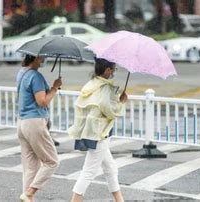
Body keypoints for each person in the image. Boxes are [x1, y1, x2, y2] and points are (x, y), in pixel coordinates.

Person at [68, 58, 128, 202]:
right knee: (89, 171)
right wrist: (121, 102)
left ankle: (119, 200)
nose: (114, 72)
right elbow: (108, 109)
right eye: (114, 69)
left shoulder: (91, 84)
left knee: (111, 168)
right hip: (99, 133)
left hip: (90, 131)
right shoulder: (105, 87)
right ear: (107, 70)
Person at [16, 55, 62, 202]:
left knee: (30, 167)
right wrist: (55, 88)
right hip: (35, 122)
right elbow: (42, 102)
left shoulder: (21, 72)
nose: (45, 58)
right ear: (35, 57)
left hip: (22, 122)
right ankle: (29, 193)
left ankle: (27, 198)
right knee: (52, 161)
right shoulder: (35, 76)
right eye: (42, 56)